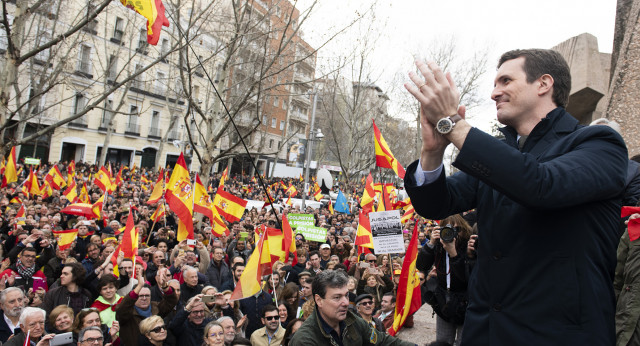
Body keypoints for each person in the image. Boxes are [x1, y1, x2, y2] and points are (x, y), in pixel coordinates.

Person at [403, 49, 628, 345]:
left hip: (558, 336)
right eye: (495, 84)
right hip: (486, 333)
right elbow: (435, 203)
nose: (494, 93)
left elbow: (539, 185)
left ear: (544, 84)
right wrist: (432, 152)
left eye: (505, 81)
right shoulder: (501, 155)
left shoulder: (599, 144)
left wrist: (454, 124)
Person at [289, 270, 413, 345]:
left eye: (346, 295)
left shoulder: (353, 320)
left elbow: (382, 341)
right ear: (319, 300)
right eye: (337, 297)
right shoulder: (304, 340)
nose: (346, 303)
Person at [417, 214, 471, 346]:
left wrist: (453, 253)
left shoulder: (468, 248)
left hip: (465, 303)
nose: (452, 234)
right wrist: (430, 244)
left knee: (463, 342)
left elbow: (465, 278)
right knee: (442, 341)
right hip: (443, 303)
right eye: (447, 229)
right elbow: (421, 266)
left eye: (456, 230)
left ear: (464, 230)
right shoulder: (438, 246)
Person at [116, 266, 178, 346]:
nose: (144, 298)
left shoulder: (156, 308)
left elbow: (171, 301)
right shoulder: (127, 312)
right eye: (140, 296)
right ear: (135, 297)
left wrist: (165, 286)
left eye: (147, 295)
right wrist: (139, 286)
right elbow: (122, 308)